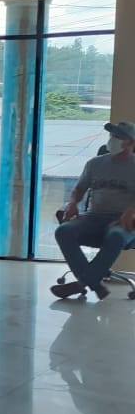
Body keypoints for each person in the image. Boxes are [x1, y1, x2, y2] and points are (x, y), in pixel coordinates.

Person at [51, 122, 135, 301]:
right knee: (63, 231)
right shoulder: (95, 164)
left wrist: (131, 210)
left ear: (130, 142)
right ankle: (94, 284)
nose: (112, 140)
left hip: (123, 221)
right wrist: (73, 203)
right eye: (111, 136)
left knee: (116, 236)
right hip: (94, 217)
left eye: (117, 137)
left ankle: (82, 284)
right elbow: (79, 189)